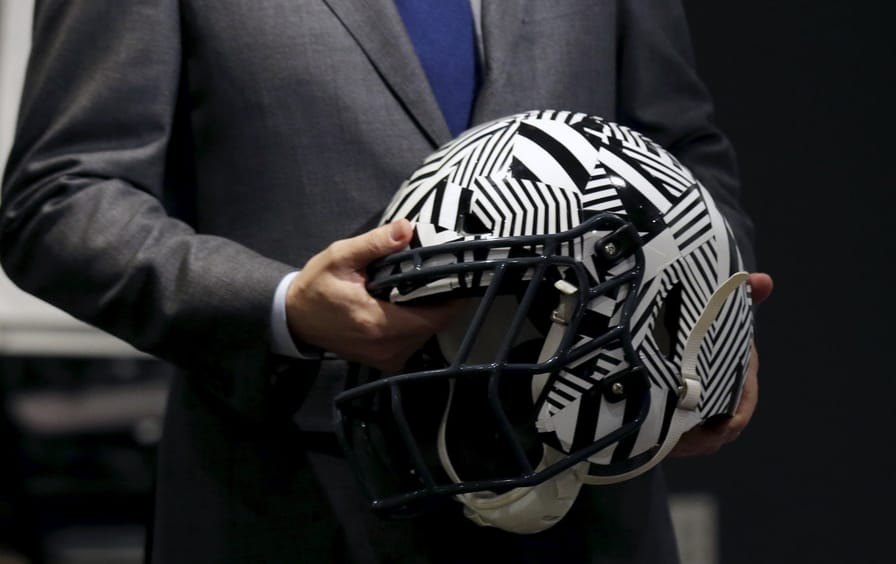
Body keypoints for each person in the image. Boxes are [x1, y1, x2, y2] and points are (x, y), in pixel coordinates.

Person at [0, 1, 773, 563]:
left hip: (592, 488)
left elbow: (679, 150)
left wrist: (704, 319)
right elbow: (60, 202)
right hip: (297, 495)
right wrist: (283, 307)